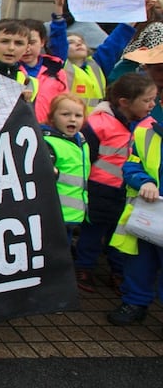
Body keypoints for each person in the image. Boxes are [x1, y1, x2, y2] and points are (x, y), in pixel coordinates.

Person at [76, 73, 157, 292]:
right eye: (147, 100)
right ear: (124, 102)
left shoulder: (148, 126)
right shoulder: (99, 123)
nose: (152, 105)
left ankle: (117, 272)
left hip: (127, 190)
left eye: (154, 99)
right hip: (100, 188)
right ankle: (84, 268)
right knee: (93, 231)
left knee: (121, 233)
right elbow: (86, 157)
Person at [107, 94, 163, 326]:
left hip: (150, 212)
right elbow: (131, 165)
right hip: (148, 213)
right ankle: (135, 303)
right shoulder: (145, 132)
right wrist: (144, 181)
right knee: (139, 262)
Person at [41, 93, 90, 242]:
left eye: (78, 115)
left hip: (73, 214)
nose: (72, 119)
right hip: (52, 215)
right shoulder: (48, 142)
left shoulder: (81, 141)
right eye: (65, 114)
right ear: (52, 117)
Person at [0, 19, 35, 103]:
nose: (11, 48)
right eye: (4, 41)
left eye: (19, 43)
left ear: (27, 48)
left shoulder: (28, 82)